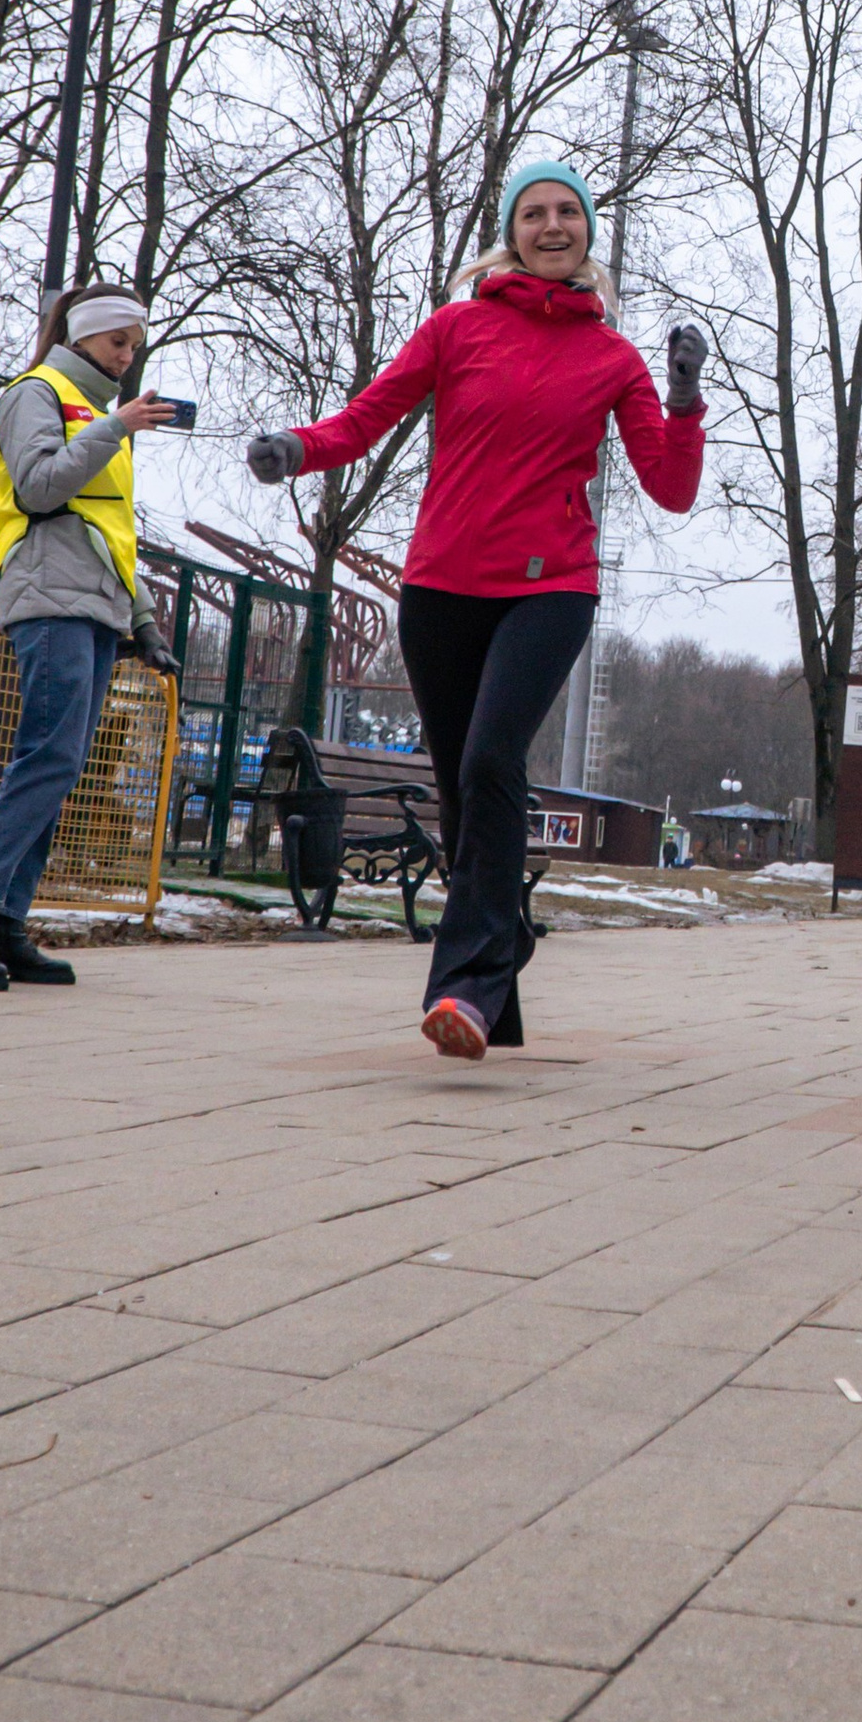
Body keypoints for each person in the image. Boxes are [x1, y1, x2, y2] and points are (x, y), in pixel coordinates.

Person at [247, 159, 704, 1061]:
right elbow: (366, 418)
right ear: (511, 233)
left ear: (586, 235)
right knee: (463, 790)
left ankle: (462, 985)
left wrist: (684, 401)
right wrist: (295, 449)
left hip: (550, 587)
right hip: (443, 586)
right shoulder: (457, 329)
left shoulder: (613, 357)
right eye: (533, 214)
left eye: (567, 212)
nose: (552, 226)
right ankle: (503, 970)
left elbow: (671, 487)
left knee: (496, 759)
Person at [0, 287, 183, 993]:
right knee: (47, 760)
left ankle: (6, 925)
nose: (127, 357)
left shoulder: (95, 413)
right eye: (116, 343)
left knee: (58, 768)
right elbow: (38, 490)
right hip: (47, 600)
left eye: (134, 344)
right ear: (83, 338)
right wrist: (116, 428)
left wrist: (147, 623)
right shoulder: (35, 394)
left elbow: (111, 535)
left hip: (95, 609)